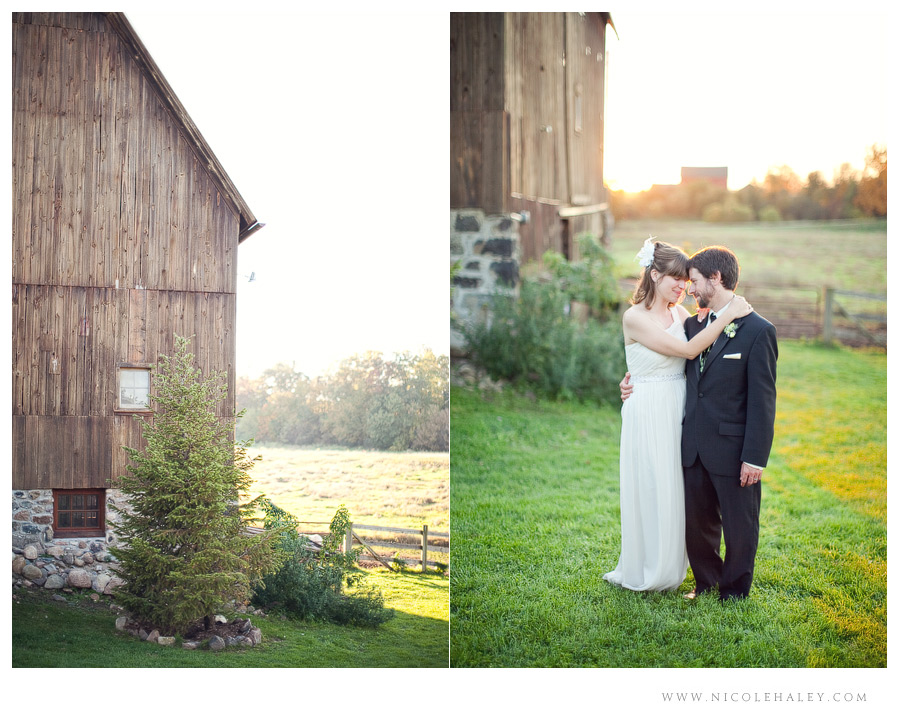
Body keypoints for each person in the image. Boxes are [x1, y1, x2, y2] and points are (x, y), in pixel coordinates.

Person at [620, 244, 778, 602]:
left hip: (733, 443)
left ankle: (735, 590)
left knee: (740, 523)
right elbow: (664, 359)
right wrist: (631, 382)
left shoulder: (757, 330)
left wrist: (755, 457)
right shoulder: (690, 323)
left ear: (715, 278)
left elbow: (763, 401)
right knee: (698, 521)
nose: (688, 289)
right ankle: (706, 582)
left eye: (691, 280)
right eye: (681, 281)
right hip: (688, 437)